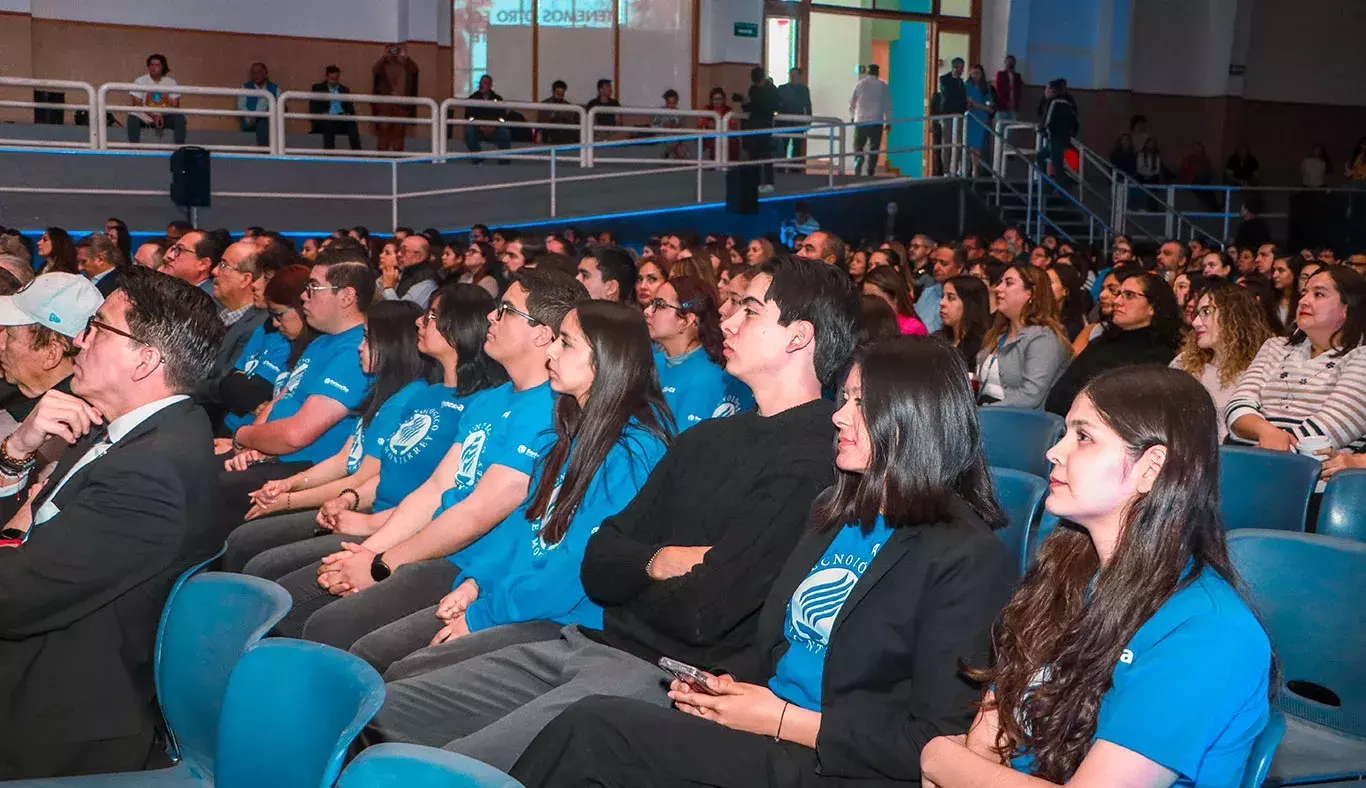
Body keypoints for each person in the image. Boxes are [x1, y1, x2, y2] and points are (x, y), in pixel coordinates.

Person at [358, 255, 858, 770]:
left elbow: (708, 611)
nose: (726, 321)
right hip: (587, 640)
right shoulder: (707, 438)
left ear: (798, 336)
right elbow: (599, 560)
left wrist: (634, 571)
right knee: (373, 712)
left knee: (446, 768)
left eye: (749, 311)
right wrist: (660, 561)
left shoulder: (815, 460)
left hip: (663, 674)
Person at [513, 336, 1014, 788]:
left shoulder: (966, 556)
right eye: (846, 399)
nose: (840, 416)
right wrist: (727, 690)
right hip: (770, 730)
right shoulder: (834, 513)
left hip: (833, 764)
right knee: (598, 725)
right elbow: (777, 648)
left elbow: (934, 747)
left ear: (915, 417)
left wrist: (779, 719)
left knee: (593, 731)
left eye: (863, 403)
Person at [922, 366, 1273, 788]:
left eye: (1083, 437)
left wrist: (939, 758)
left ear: (1151, 468)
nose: (1055, 451)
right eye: (1065, 432)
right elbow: (990, 736)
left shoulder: (1209, 632)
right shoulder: (1068, 571)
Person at [264, 269, 584, 648]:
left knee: (326, 625)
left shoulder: (551, 411)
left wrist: (383, 563)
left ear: (541, 334)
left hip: (468, 563)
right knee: (283, 592)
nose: (491, 317)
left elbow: (476, 512)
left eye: (506, 310)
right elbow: (434, 490)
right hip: (433, 543)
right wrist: (369, 552)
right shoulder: (489, 400)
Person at [350, 300, 673, 672]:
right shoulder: (571, 422)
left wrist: (483, 614)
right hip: (520, 595)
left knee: (396, 665)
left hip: (572, 622)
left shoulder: (635, 449)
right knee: (375, 650)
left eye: (566, 343)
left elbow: (575, 569)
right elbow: (525, 523)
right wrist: (476, 582)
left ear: (607, 359)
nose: (551, 349)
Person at [0, 268, 225, 779]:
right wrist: (16, 451)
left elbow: (11, 598)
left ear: (145, 359)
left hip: (54, 707)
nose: (79, 340)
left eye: (99, 328)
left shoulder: (149, 472)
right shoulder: (127, 431)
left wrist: (18, 536)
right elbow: (20, 535)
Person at [231, 283, 506, 581]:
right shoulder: (423, 396)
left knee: (265, 561)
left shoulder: (475, 406)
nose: (420, 321)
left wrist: (294, 499)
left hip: (400, 530)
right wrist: (340, 498)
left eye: (432, 315)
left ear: (461, 327)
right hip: (373, 517)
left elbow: (436, 496)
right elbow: (372, 472)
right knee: (250, 545)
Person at [221, 299, 432, 571]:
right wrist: (289, 485)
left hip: (361, 504)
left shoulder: (405, 400)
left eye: (368, 339)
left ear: (393, 345)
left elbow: (360, 478)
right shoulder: (383, 393)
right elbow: (344, 459)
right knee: (242, 526)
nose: (359, 346)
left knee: (251, 547)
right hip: (345, 493)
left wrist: (286, 500)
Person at [218, 245, 376, 534]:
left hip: (308, 467)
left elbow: (296, 435)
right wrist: (252, 446)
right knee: (197, 468)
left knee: (214, 487)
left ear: (346, 296)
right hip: (273, 454)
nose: (304, 296)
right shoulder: (320, 341)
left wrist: (242, 437)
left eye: (314, 287)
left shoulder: (357, 349)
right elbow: (279, 401)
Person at [1227, 266, 1366, 452]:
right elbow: (1238, 407)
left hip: (1311, 473)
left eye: (1319, 294)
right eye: (1304, 293)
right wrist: (1266, 432)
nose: (1303, 301)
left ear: (1347, 308)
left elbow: (1328, 431)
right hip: (1250, 457)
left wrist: (1265, 453)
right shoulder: (1275, 347)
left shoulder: (1360, 356)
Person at [1045, 272, 1182, 415]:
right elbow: (1058, 394)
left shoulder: (1159, 356)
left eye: (1129, 295)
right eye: (1119, 294)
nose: (1117, 301)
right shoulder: (1101, 342)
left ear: (1152, 307)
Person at [0, 274, 103, 438]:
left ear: (51, 354)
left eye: (10, 335)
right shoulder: (13, 398)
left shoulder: (64, 437)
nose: (1, 344)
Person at [1170, 282, 1273, 442]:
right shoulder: (1183, 364)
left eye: (1207, 312)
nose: (1196, 322)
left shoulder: (1262, 369)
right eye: (1198, 313)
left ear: (1234, 316)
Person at [647, 275, 754, 429]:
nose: (648, 311)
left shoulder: (708, 376)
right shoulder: (650, 362)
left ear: (687, 320)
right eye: (652, 303)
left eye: (660, 305)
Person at [218, 264, 311, 436]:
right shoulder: (266, 329)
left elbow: (258, 391)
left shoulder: (304, 346)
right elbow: (226, 383)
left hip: (256, 436)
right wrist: (240, 390)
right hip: (232, 426)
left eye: (279, 314)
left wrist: (239, 386)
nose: (275, 322)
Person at [977, 264, 1073, 408]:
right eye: (1000, 282)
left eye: (1008, 283)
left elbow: (1030, 396)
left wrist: (981, 412)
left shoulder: (1045, 338)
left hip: (1021, 425)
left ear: (1031, 293)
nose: (998, 288)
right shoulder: (997, 335)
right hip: (988, 418)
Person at [127, 53, 185, 146]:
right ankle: (134, 148)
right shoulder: (140, 80)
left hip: (165, 116)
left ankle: (180, 149)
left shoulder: (171, 82)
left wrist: (160, 114)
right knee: (133, 115)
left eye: (157, 65)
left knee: (180, 118)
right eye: (151, 65)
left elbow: (175, 105)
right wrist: (154, 115)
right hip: (146, 115)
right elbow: (137, 103)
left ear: (163, 67)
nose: (153, 67)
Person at [372, 44, 420, 152]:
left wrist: (406, 57)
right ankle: (382, 155)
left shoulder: (406, 65)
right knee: (384, 131)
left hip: (401, 105)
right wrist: (384, 57)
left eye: (396, 50)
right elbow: (375, 70)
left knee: (399, 131)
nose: (394, 53)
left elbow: (415, 70)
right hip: (384, 105)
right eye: (391, 50)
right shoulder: (383, 65)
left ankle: (398, 155)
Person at [741, 68, 782, 192]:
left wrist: (752, 103)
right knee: (754, 154)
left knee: (765, 153)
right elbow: (749, 108)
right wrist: (744, 102)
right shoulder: (753, 89)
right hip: (754, 125)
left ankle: (769, 182)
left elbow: (775, 105)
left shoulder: (771, 90)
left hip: (765, 124)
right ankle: (756, 182)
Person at [937, 275, 990, 368]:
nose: (942, 303)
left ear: (970, 304)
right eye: (943, 296)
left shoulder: (983, 346)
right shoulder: (937, 339)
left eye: (951, 298)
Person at [849, 63, 892, 177]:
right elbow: (887, 105)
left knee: (858, 145)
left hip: (861, 120)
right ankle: (870, 171)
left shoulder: (860, 84)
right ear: (877, 72)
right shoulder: (883, 86)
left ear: (867, 72)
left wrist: (853, 116)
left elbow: (852, 102)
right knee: (874, 148)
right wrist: (888, 122)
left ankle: (859, 159)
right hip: (876, 120)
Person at [863, 266, 927, 336]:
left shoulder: (912, 329)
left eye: (875, 298)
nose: (870, 302)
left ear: (895, 298)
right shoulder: (866, 325)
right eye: (867, 297)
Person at [915, 243, 965, 332]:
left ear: (959, 267)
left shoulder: (966, 295)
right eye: (935, 262)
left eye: (943, 263)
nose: (936, 267)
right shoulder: (928, 291)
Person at [309, 66, 362, 151]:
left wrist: (348, 113)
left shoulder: (344, 89)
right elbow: (313, 107)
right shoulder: (317, 88)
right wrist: (323, 114)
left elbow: (350, 109)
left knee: (352, 123)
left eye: (336, 79)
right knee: (328, 123)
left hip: (341, 119)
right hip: (325, 119)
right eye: (332, 79)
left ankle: (358, 153)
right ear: (326, 77)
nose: (334, 81)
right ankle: (330, 153)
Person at [1038, 79, 1079, 184]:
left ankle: (1061, 183)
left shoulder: (1053, 102)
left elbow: (1047, 118)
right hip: (1064, 137)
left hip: (1055, 136)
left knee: (1056, 162)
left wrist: (1042, 130)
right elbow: (1075, 121)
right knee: (1042, 156)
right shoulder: (1068, 103)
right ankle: (1047, 181)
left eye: (1047, 89)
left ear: (1053, 91)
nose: (1045, 92)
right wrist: (1072, 133)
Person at [384, 235, 440, 306]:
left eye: (403, 251)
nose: (398, 254)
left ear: (419, 256)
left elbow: (403, 313)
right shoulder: (406, 272)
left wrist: (388, 288)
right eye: (399, 250)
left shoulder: (427, 282)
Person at [464, 75, 511, 158]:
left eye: (484, 83)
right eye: (480, 83)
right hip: (478, 130)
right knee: (469, 131)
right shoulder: (472, 98)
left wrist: (494, 127)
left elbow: (502, 118)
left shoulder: (498, 99)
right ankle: (478, 158)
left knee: (505, 133)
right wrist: (479, 126)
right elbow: (469, 117)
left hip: (494, 130)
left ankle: (504, 160)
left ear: (490, 85)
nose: (481, 85)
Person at [160, 230, 220, 296]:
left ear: (203, 264)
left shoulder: (211, 300)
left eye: (180, 249)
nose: (169, 256)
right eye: (174, 249)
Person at [936, 58, 967, 175]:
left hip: (959, 115)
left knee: (958, 142)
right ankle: (945, 170)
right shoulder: (944, 79)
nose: (962, 70)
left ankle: (956, 168)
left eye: (963, 68)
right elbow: (948, 95)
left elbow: (962, 98)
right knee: (947, 143)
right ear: (955, 67)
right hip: (948, 115)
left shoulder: (962, 83)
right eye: (960, 67)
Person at [238, 61, 278, 148]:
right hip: (250, 123)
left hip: (268, 124)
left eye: (259, 72)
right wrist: (251, 117)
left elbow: (279, 108)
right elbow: (241, 108)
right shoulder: (245, 87)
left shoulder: (275, 89)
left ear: (266, 74)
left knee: (264, 121)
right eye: (253, 72)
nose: (256, 75)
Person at [964, 64, 995, 175]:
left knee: (979, 146)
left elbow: (990, 100)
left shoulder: (985, 87)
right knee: (971, 145)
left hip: (982, 118)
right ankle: (970, 170)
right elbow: (970, 101)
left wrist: (990, 104)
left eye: (977, 73)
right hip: (972, 118)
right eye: (973, 73)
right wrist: (986, 108)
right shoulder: (967, 85)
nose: (975, 75)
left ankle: (976, 170)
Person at [777, 67, 812, 162]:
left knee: (797, 147)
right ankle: (781, 168)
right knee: (783, 146)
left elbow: (808, 106)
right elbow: (777, 104)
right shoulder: (782, 88)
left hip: (798, 122)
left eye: (795, 75)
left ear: (799, 76)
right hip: (784, 122)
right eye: (791, 75)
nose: (793, 77)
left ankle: (795, 170)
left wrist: (808, 121)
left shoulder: (804, 90)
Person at [537, 79, 579, 146]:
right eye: (558, 93)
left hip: (565, 130)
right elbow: (542, 121)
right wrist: (554, 115)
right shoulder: (545, 104)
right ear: (553, 92)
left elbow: (571, 122)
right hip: (549, 130)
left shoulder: (568, 106)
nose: (559, 96)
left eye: (562, 94)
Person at [993, 54, 1024, 122]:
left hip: (1013, 107)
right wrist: (1005, 103)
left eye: (1012, 61)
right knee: (1000, 128)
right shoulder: (1000, 74)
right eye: (1008, 61)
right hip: (1002, 107)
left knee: (1011, 129)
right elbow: (998, 91)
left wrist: (1015, 104)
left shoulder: (1017, 76)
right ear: (1005, 63)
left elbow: (1019, 92)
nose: (1010, 63)